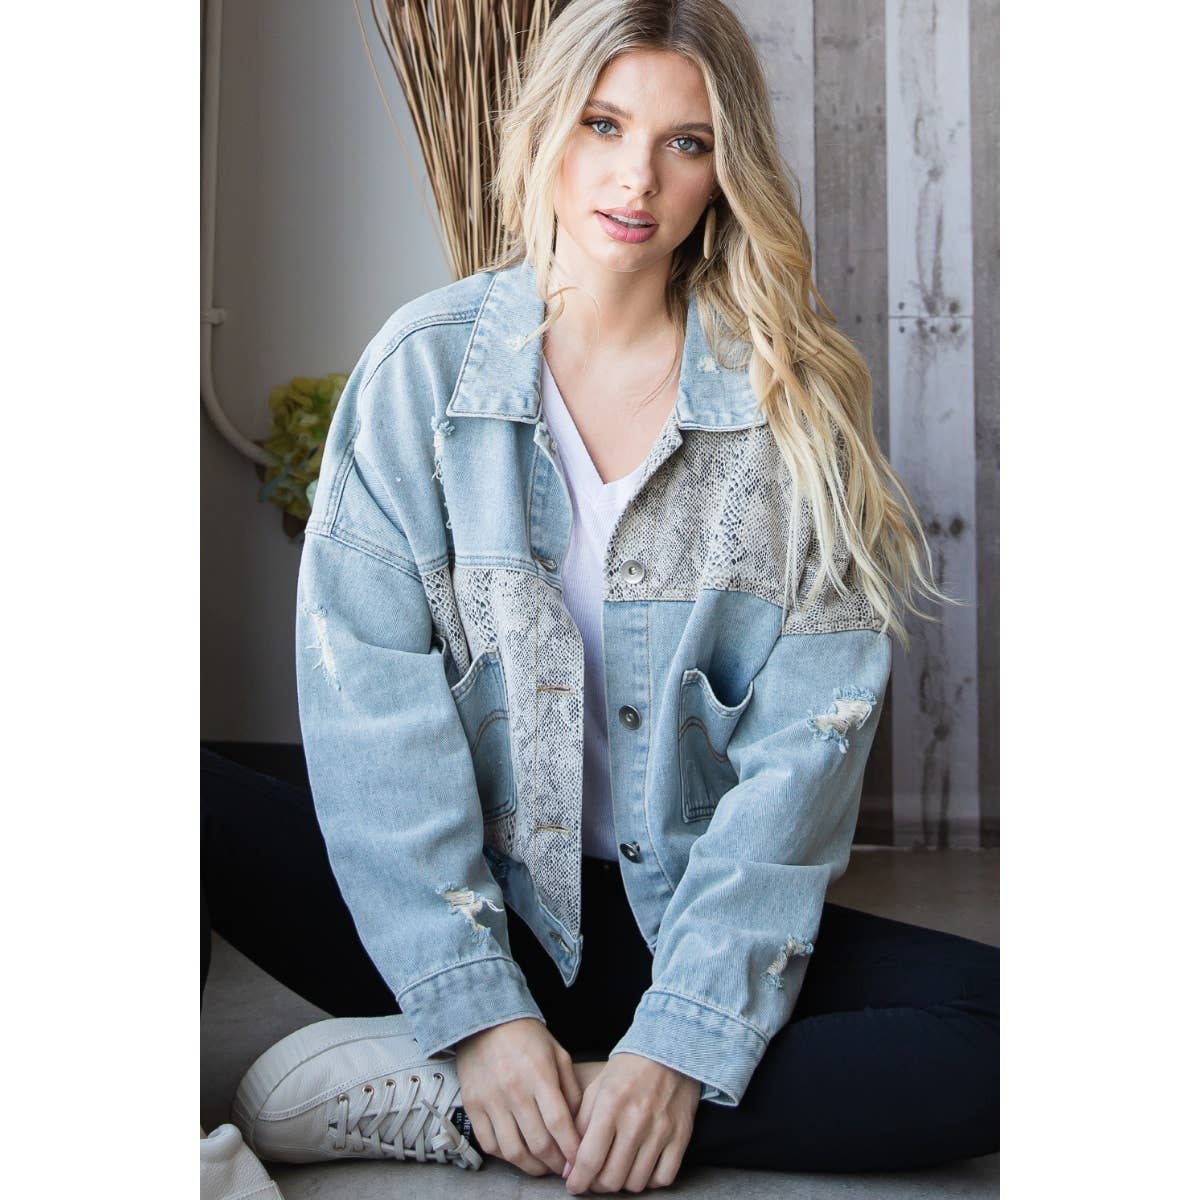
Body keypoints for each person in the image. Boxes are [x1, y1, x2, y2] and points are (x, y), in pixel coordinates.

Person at [201, 0, 999, 1193]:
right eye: (605, 123)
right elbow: (375, 719)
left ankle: (491, 1109)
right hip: (462, 901)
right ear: (546, 130)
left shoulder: (792, 412)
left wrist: (681, 1042)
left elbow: (801, 768)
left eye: (687, 141)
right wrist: (478, 1010)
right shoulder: (422, 372)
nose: (638, 178)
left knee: (1010, 1031)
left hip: (673, 912)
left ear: (726, 169)